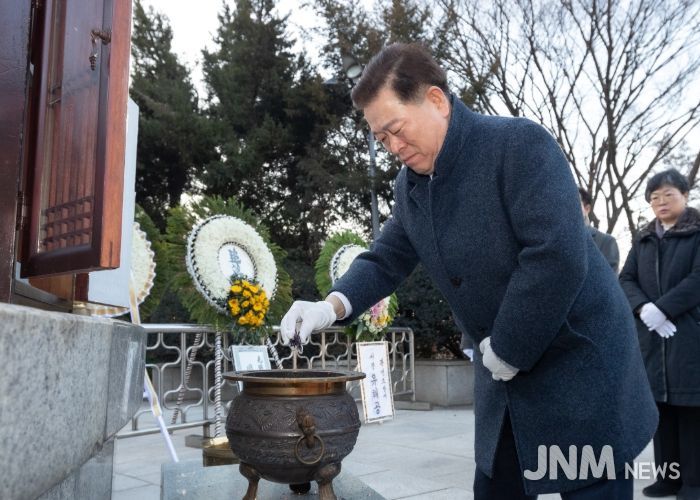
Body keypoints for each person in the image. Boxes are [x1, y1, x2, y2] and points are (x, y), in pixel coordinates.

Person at [280, 43, 657, 499]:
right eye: (381, 139)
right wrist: (329, 306)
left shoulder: (518, 145)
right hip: (503, 376)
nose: (393, 147)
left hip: (577, 362)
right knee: (497, 487)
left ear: (436, 100)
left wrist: (510, 346)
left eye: (396, 130)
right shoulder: (410, 186)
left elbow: (554, 254)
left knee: (592, 485)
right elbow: (386, 257)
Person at [619, 169, 700, 500]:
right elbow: (626, 279)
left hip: (689, 333)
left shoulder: (697, 233)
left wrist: (664, 308)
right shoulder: (643, 239)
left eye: (668, 194)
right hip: (651, 335)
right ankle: (668, 478)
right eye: (654, 197)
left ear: (685, 196)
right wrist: (643, 309)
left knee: (691, 409)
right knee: (660, 410)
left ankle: (694, 483)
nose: (661, 202)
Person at [578, 187, 620, 272]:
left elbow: (610, 279)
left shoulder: (606, 242)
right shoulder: (554, 241)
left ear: (587, 209)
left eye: (575, 204)